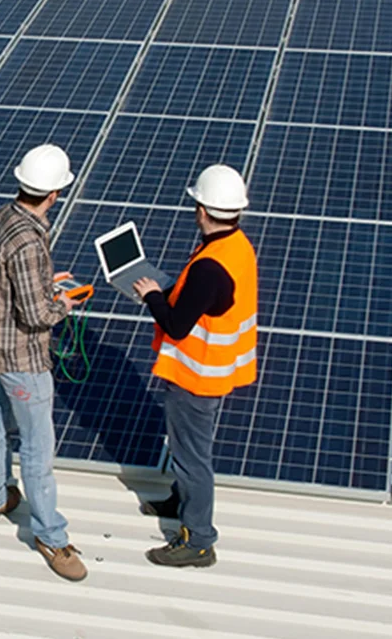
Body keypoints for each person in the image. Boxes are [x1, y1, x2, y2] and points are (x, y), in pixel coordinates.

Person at [0, 143, 87, 582]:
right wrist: (65, 302)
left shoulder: (0, 218)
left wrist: (44, 284)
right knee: (38, 448)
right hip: (23, 358)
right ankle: (51, 537)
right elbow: (36, 315)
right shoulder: (28, 243)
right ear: (55, 193)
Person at [133, 164, 258, 568]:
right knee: (187, 451)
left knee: (192, 457)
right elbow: (206, 302)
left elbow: (176, 324)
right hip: (214, 370)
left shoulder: (210, 265)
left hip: (196, 376)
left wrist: (152, 295)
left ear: (202, 209)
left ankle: (199, 539)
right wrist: (170, 290)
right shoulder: (236, 246)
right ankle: (180, 501)